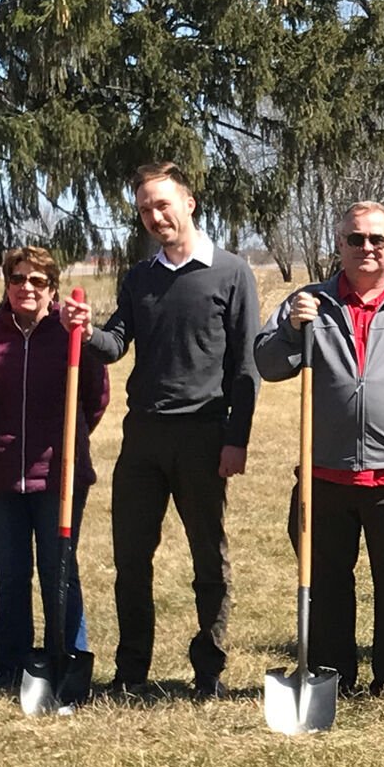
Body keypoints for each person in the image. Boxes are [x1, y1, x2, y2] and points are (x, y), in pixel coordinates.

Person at [62, 162, 260, 700]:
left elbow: (245, 366)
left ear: (189, 203)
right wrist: (84, 333)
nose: (155, 216)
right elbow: (116, 344)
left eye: (163, 204)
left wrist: (235, 438)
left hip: (203, 436)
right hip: (143, 437)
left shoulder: (231, 272)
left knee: (207, 559)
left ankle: (208, 670)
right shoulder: (140, 277)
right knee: (130, 559)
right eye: (146, 209)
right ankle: (131, 672)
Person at [254, 201, 384, 699]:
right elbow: (267, 364)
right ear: (340, 244)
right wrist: (289, 327)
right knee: (325, 584)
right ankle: (332, 676)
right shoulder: (308, 303)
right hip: (324, 475)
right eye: (356, 239)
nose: (366, 248)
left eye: (377, 240)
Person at [0, 247, 110, 688]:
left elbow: (95, 400)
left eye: (38, 281)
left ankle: (67, 657)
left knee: (59, 569)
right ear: (6, 284)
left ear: (53, 288)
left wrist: (67, 443)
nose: (26, 287)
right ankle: (10, 663)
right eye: (18, 279)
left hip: (59, 475)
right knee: (10, 573)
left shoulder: (72, 333)